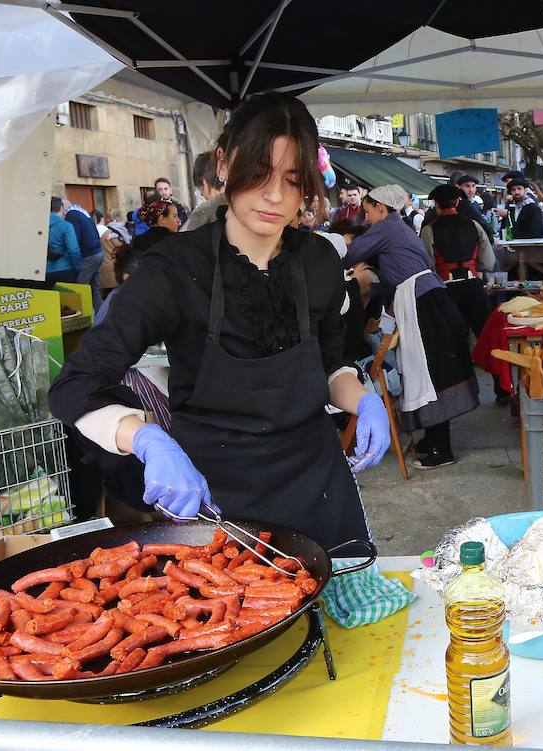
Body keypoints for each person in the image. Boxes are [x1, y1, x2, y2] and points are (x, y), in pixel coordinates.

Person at [48, 92, 389, 545]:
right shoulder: (173, 268)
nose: (274, 195)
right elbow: (75, 384)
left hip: (318, 484)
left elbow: (331, 366)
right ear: (224, 164)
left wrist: (364, 399)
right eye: (259, 173)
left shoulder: (320, 262)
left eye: (292, 180)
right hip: (213, 497)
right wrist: (147, 439)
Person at [345, 184, 480, 469]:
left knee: (430, 373)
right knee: (430, 371)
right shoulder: (400, 226)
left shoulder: (387, 226)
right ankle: (433, 439)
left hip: (422, 301)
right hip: (428, 296)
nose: (367, 218)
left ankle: (442, 449)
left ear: (381, 207)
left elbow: (352, 252)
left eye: (368, 211)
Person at [421, 183, 496, 338]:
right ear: (457, 202)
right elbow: (488, 262)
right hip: (473, 285)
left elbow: (427, 264)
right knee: (486, 336)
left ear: (436, 204)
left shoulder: (429, 230)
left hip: (446, 288)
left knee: (452, 339)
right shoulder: (474, 225)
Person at [64, 199, 105, 308]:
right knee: (94, 286)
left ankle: (86, 315)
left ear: (63, 207)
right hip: (98, 252)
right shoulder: (82, 211)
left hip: (88, 255)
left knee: (81, 287)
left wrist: (74, 261)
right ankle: (99, 314)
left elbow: (74, 239)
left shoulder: (71, 215)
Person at [184, 149, 227, 233]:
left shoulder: (202, 213)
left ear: (205, 183)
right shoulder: (243, 205)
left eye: (200, 190)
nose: (201, 195)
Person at [46, 197, 83, 283]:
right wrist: (78, 267)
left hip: (45, 272)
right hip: (65, 270)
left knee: (48, 296)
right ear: (61, 208)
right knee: (68, 296)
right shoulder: (66, 226)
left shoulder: (38, 226)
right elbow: (74, 250)